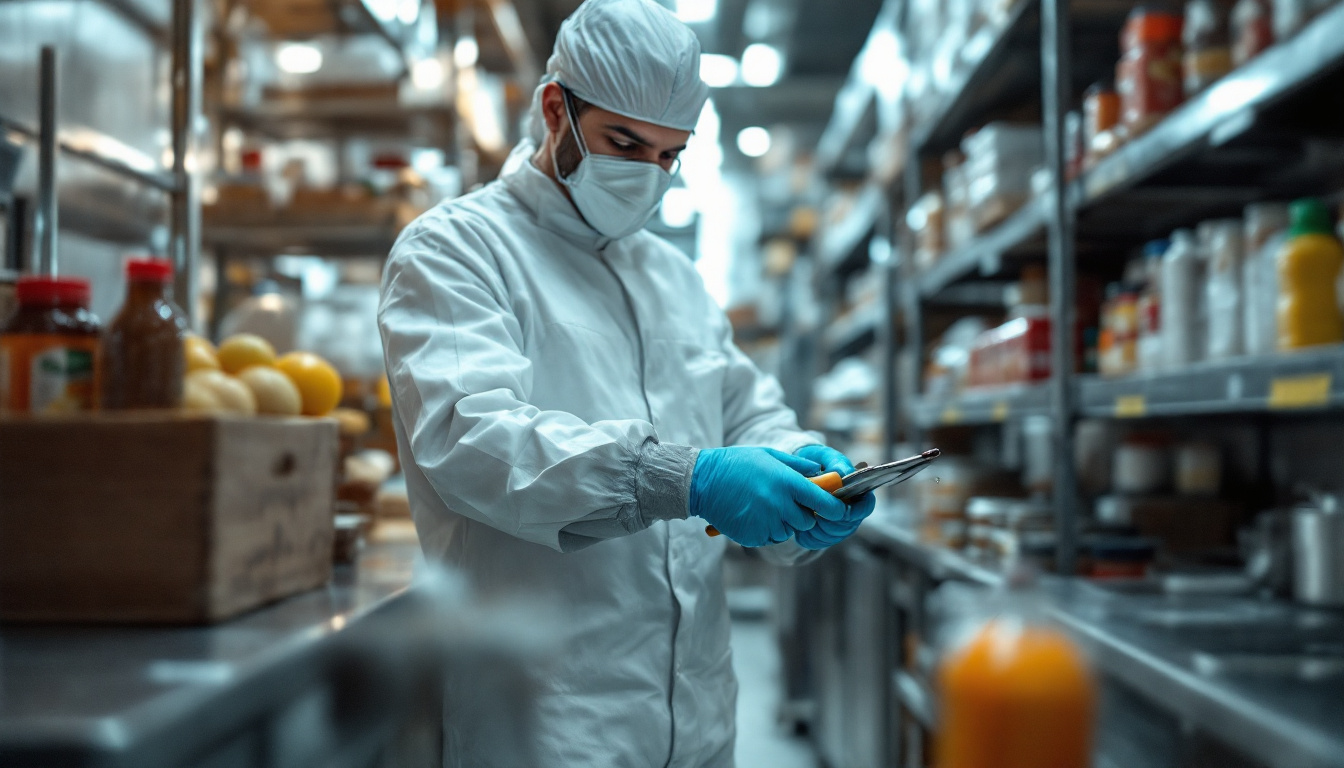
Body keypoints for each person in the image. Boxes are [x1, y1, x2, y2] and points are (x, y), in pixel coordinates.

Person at [377, 0, 875, 764]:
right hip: (549, 721)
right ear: (555, 109)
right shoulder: (456, 250)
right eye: (624, 143)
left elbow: (744, 408)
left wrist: (805, 473)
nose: (648, 174)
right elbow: (472, 439)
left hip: (697, 717)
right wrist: (680, 478)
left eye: (670, 155)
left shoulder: (673, 278)